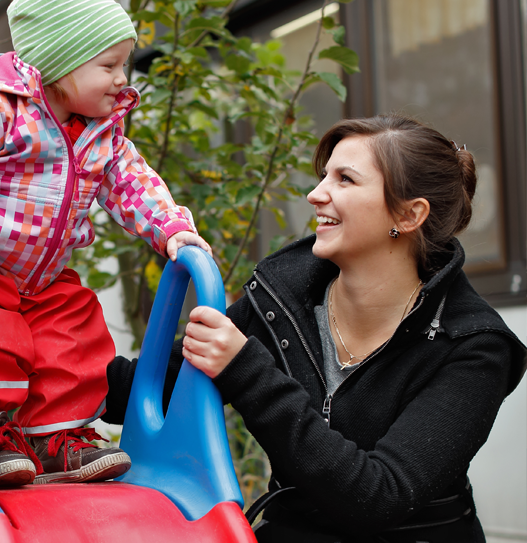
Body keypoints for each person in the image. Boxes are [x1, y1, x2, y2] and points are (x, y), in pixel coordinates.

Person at [104, 114, 526, 542]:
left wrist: (247, 370)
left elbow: (379, 495)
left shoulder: (474, 345)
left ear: (409, 213)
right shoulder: (282, 298)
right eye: (324, 176)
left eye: (344, 180)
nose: (315, 194)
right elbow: (148, 386)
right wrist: (44, 370)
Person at [0, 0, 210, 488]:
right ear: (59, 64)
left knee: (75, 335)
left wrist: (171, 229)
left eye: (124, 64)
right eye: (108, 66)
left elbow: (131, 182)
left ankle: (56, 440)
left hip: (41, 279)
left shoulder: (101, 130)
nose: (122, 79)